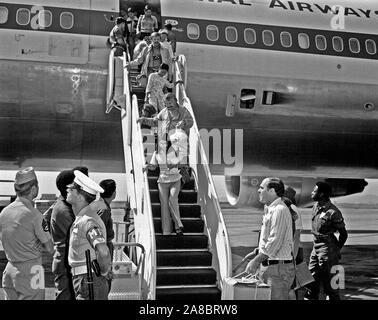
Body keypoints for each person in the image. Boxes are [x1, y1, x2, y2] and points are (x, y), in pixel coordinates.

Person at [138, 93, 194, 235]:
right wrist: (143, 119)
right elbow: (155, 121)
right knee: (168, 200)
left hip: (177, 142)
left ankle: (176, 226)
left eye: (169, 104)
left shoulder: (183, 111)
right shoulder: (163, 112)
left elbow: (191, 122)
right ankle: (171, 229)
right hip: (165, 142)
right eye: (165, 104)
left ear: (175, 101)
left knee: (172, 197)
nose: (167, 106)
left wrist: (184, 123)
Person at [0, 167, 54, 300]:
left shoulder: (4, 213)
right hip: (32, 271)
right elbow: (50, 248)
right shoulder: (35, 215)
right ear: (34, 188)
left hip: (9, 270)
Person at [245, 177, 295, 300]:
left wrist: (255, 261)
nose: (258, 190)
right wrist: (258, 251)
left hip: (277, 270)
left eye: (262, 188)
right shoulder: (270, 209)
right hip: (270, 267)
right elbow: (270, 239)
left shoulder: (280, 210)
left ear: (272, 191)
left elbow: (274, 242)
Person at [67, 170, 112, 300]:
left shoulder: (87, 221)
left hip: (90, 280)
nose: (68, 189)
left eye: (72, 189)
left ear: (80, 197)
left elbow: (103, 252)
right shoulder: (83, 218)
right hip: (86, 279)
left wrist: (103, 272)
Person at [305, 181, 348, 300]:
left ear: (322, 194)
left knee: (331, 284)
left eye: (314, 191)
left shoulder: (333, 212)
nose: (312, 193)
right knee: (311, 279)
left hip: (327, 246)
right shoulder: (315, 206)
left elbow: (344, 234)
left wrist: (334, 250)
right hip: (316, 246)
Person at [50, 170, 77, 300]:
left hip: (65, 259)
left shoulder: (63, 205)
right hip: (65, 262)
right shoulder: (64, 211)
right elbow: (76, 238)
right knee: (65, 296)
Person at [91, 179, 116, 290]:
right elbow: (97, 233)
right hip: (102, 249)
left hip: (95, 250)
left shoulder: (95, 204)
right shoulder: (104, 209)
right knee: (104, 285)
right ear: (114, 193)